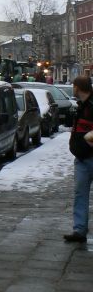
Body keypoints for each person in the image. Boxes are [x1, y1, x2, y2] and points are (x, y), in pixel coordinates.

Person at [64, 75, 93, 242]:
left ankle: (80, 229)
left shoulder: (90, 106)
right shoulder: (82, 106)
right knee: (80, 194)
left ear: (77, 87)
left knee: (81, 194)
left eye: (74, 86)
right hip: (81, 158)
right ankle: (79, 230)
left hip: (87, 156)